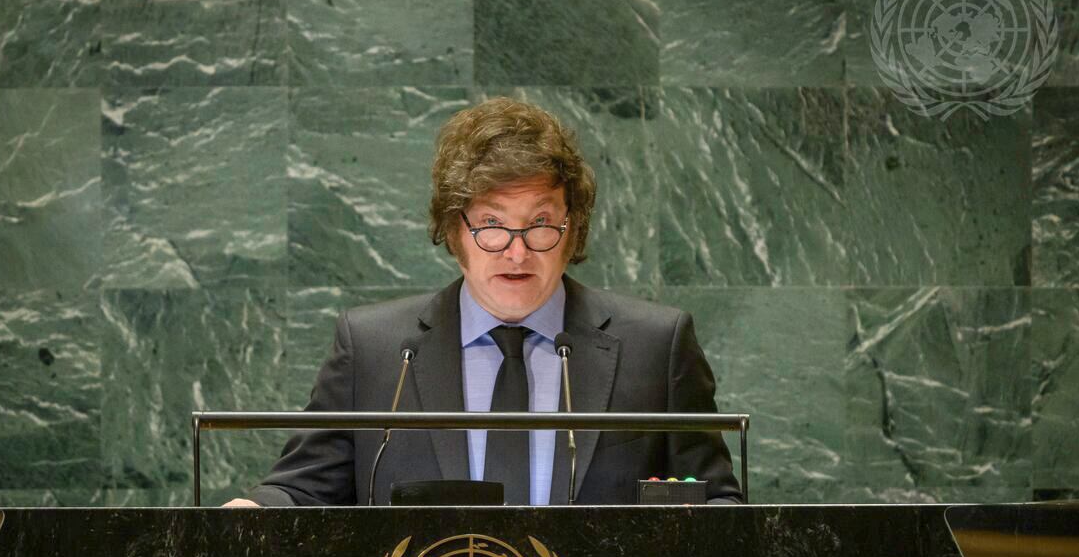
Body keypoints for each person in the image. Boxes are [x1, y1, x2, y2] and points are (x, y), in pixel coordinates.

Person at [224, 97, 741, 507]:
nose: (517, 251)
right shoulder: (375, 350)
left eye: (540, 224)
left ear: (572, 228)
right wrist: (254, 512)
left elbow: (716, 501)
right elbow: (304, 490)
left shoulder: (656, 346)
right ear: (454, 230)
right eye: (492, 224)